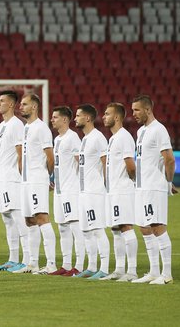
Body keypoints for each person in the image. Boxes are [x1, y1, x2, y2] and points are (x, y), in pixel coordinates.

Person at [131, 95, 176, 285]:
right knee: (144, 228)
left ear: (148, 110)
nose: (133, 114)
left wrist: (167, 182)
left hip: (153, 188)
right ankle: (153, 271)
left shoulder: (159, 130)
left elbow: (169, 159)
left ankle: (166, 275)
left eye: (137, 110)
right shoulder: (141, 131)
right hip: (141, 187)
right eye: (132, 110)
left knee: (157, 227)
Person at [12, 93, 56, 274]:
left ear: (35, 107)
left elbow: (50, 157)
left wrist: (46, 176)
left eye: (24, 104)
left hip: (37, 180)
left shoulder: (41, 128)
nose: (20, 107)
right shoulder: (25, 128)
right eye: (21, 104)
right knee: (29, 221)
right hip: (26, 182)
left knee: (42, 218)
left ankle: (51, 264)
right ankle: (33, 263)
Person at [0, 91, 30, 272]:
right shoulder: (1, 126)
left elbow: (20, 152)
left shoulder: (16, 125)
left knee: (18, 218)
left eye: (2, 101)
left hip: (13, 180)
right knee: (7, 220)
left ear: (12, 105)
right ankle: (13, 258)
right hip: (2, 180)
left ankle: (28, 259)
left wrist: (22, 178)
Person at [73, 104, 110, 280]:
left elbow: (106, 163)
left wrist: (106, 187)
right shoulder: (85, 139)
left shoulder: (98, 138)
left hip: (94, 192)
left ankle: (104, 268)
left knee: (97, 230)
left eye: (78, 116)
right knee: (86, 230)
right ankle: (92, 266)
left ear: (88, 118)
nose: (75, 118)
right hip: (84, 192)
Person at [102, 103, 138, 281]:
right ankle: (119, 269)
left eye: (107, 114)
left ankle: (131, 271)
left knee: (125, 227)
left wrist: (132, 182)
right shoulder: (114, 138)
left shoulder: (124, 137)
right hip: (113, 191)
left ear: (116, 117)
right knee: (116, 229)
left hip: (122, 190)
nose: (103, 117)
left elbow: (130, 165)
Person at [49, 106, 85, 276]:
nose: (52, 119)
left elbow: (80, 161)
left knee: (75, 228)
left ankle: (79, 266)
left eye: (55, 117)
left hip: (71, 190)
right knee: (62, 228)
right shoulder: (57, 140)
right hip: (59, 191)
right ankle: (66, 264)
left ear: (65, 119)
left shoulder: (73, 138)